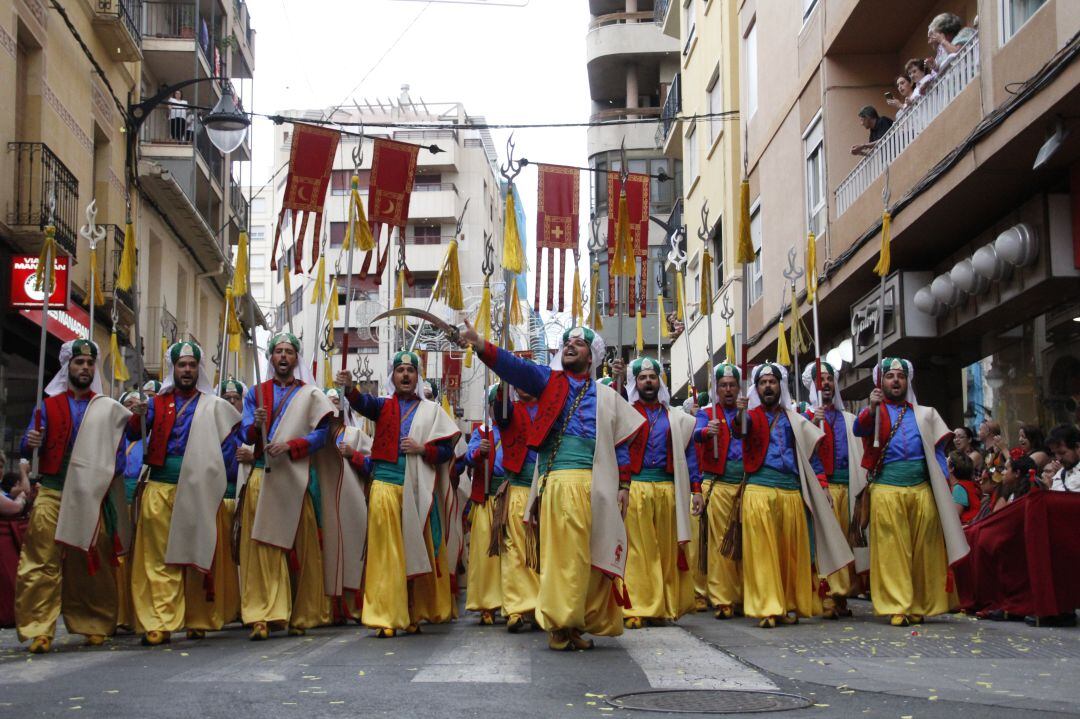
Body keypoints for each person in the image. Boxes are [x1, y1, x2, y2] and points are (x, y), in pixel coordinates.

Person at [456, 324, 644, 651]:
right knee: (565, 557)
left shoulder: (607, 397)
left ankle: (578, 621)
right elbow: (516, 367)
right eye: (566, 342)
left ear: (593, 356)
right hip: (560, 481)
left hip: (599, 484)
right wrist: (480, 345)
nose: (569, 346)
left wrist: (624, 485)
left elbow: (620, 444)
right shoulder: (548, 382)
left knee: (594, 556)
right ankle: (560, 623)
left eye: (578, 343)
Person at [15, 339, 131, 653]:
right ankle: (40, 628)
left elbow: (118, 455)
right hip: (53, 490)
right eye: (79, 363)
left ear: (94, 368)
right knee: (41, 561)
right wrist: (31, 439)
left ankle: (93, 622)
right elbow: (27, 447)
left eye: (90, 363)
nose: (84, 368)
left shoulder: (106, 408)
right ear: (68, 367)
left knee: (90, 560)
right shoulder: (47, 405)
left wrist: (105, 469)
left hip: (90, 495)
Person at [335, 351, 461, 638]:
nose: (405, 375)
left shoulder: (431, 411)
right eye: (400, 370)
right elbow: (361, 402)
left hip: (416, 487)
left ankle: (413, 611)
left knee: (414, 552)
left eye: (410, 370)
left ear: (418, 377)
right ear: (392, 376)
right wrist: (348, 387)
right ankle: (385, 615)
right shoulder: (382, 406)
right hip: (384, 485)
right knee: (385, 555)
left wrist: (422, 449)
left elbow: (446, 451)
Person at [125, 341, 240, 645]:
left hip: (198, 488)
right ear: (173, 368)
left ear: (198, 369)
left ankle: (198, 617)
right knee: (158, 558)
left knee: (197, 551)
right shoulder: (156, 404)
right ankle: (159, 622)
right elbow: (133, 433)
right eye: (181, 365)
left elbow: (228, 449)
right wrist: (137, 414)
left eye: (191, 365)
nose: (186, 370)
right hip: (160, 487)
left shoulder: (213, 406)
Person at [731, 363, 851, 629]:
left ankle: (787, 604)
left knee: (790, 555)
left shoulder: (796, 419)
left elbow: (812, 457)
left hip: (791, 492)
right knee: (763, 553)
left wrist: (822, 486)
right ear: (756, 388)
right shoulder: (750, 415)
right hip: (759, 492)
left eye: (772, 382)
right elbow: (740, 428)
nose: (768, 387)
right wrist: (739, 413)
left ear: (780, 385)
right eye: (762, 383)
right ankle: (767, 607)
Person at [853, 358, 969, 627]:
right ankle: (897, 605)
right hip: (886, 488)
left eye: (900, 376)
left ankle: (919, 604)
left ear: (908, 381)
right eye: (890, 376)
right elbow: (859, 429)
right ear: (880, 382)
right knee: (893, 550)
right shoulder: (875, 411)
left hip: (921, 491)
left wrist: (944, 488)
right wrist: (871, 407)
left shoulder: (926, 414)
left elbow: (939, 455)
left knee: (923, 550)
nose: (895, 380)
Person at [239, 333, 336, 640]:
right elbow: (244, 433)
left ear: (296, 358)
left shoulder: (310, 394)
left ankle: (303, 613)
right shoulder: (256, 393)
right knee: (262, 548)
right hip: (262, 478)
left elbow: (323, 435)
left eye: (289, 352)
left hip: (296, 477)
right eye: (278, 351)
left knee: (302, 546)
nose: (283, 356)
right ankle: (262, 615)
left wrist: (292, 445)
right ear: (271, 357)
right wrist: (255, 424)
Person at [621, 357, 702, 628]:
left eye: (652, 377)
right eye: (642, 378)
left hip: (668, 489)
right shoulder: (626, 413)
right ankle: (639, 607)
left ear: (659, 381)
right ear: (636, 383)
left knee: (667, 550)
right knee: (639, 551)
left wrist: (696, 490)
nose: (647, 382)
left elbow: (690, 456)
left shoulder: (676, 418)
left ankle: (664, 605)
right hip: (636, 488)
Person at [801, 361, 866, 620]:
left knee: (845, 545)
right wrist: (809, 424)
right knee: (824, 545)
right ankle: (825, 596)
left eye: (829, 379)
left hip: (846, 489)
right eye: (821, 379)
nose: (825, 384)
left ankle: (840, 597)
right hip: (820, 490)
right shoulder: (803, 417)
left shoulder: (849, 420)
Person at [694, 364, 744, 620]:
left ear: (738, 387)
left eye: (731, 385)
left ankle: (744, 595)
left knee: (745, 546)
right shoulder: (707, 413)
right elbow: (694, 434)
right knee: (721, 547)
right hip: (719, 486)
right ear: (716, 388)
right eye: (723, 385)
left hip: (747, 487)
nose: (727, 389)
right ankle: (723, 598)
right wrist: (705, 431)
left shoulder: (748, 413)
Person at [492, 384, 542, 633]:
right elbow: (500, 412)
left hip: (547, 490)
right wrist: (504, 379)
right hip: (518, 489)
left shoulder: (550, 408)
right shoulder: (509, 411)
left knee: (543, 551)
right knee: (513, 550)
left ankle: (541, 606)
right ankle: (515, 609)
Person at [464, 385, 505, 626]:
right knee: (484, 555)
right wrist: (479, 452)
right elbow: (468, 457)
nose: (499, 407)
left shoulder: (517, 428)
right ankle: (486, 604)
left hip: (510, 496)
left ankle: (513, 602)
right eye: (495, 402)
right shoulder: (481, 431)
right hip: (487, 498)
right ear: (489, 407)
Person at [946, 451, 980, 525]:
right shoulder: (963, 484)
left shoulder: (959, 488)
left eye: (946, 462)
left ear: (951, 468)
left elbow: (953, 518)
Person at [1044, 423, 1080, 491]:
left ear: (1077, 447)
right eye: (1055, 453)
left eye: (1062, 453)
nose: (1058, 458)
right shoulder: (1060, 474)